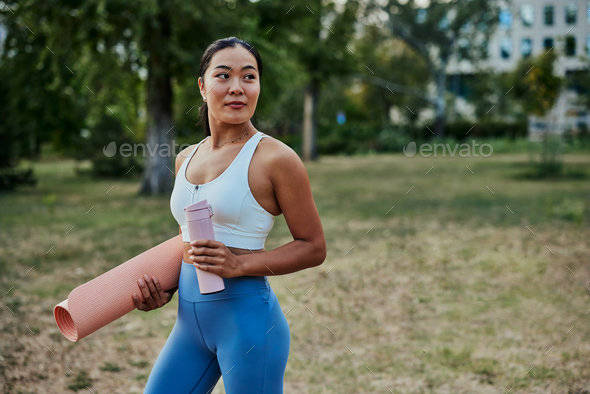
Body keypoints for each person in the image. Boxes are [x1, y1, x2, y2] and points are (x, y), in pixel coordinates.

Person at [131, 36, 326, 394]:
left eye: (248, 77)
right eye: (224, 76)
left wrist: (238, 266)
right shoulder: (185, 158)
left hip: (249, 327)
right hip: (189, 328)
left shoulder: (276, 159)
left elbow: (313, 246)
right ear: (203, 87)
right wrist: (167, 287)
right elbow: (188, 242)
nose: (237, 87)